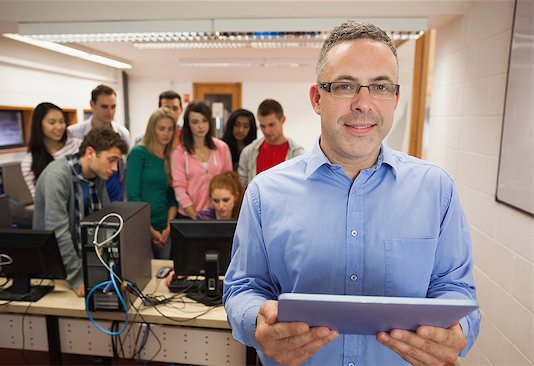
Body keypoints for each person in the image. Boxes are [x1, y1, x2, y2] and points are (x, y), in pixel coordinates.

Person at [223, 20, 481, 365]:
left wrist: (457, 330)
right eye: (345, 86)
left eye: (380, 87)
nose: (363, 103)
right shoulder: (265, 193)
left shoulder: (436, 190)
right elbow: (243, 288)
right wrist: (257, 320)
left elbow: (456, 289)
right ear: (317, 98)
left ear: (395, 98)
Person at [33, 128, 128, 297]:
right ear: (90, 153)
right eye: (111, 160)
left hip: (84, 266)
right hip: (58, 273)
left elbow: (103, 224)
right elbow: (58, 233)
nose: (114, 168)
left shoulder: (97, 176)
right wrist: (77, 278)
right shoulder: (57, 176)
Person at [126, 107, 178, 259]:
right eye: (161, 128)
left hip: (164, 228)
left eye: (170, 129)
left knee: (164, 273)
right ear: (152, 129)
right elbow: (133, 196)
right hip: (142, 226)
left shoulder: (170, 156)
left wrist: (169, 226)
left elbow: (171, 197)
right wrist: (149, 229)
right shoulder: (138, 153)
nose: (166, 133)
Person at [68, 84, 131, 202]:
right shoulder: (73, 133)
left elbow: (124, 170)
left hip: (114, 189)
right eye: (104, 107)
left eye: (113, 107)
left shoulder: (123, 133)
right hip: (84, 190)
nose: (110, 112)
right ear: (92, 105)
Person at [171, 101, 232, 219]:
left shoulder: (222, 148)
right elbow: (179, 189)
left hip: (218, 213)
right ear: (188, 124)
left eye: (204, 121)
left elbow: (228, 182)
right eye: (195, 122)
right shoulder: (179, 153)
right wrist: (196, 218)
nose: (201, 126)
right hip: (188, 216)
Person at [238, 99, 304, 187]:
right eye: (262, 126)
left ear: (283, 120)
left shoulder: (297, 154)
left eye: (271, 125)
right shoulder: (248, 152)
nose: (267, 131)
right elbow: (242, 188)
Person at [21, 102, 81, 199]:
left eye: (62, 121)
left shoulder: (78, 146)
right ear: (39, 125)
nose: (58, 127)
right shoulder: (29, 162)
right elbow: (38, 198)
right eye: (52, 122)